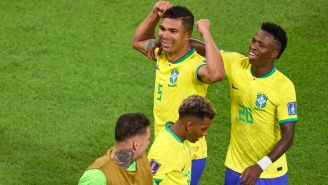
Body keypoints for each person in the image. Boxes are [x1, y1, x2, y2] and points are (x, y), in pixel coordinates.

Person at [187, 22, 298, 185]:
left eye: (261, 45)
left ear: (274, 53)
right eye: (254, 41)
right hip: (235, 167)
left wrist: (260, 167)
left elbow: (288, 136)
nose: (253, 46)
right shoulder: (237, 63)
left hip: (270, 174)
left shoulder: (284, 86)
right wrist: (168, 40)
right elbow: (205, 49)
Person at [132, 1, 224, 184]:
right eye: (163, 29)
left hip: (188, 150)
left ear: (187, 35)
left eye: (173, 31)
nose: (165, 35)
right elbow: (137, 41)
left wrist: (205, 31)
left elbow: (216, 74)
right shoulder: (161, 53)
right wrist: (155, 13)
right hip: (163, 144)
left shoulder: (195, 65)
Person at [148, 95, 216, 185]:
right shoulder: (163, 150)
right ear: (189, 126)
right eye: (203, 129)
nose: (205, 133)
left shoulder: (182, 139)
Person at [78, 113, 153, 185]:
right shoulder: (95, 178)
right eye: (147, 139)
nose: (148, 143)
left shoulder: (142, 160)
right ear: (135, 145)